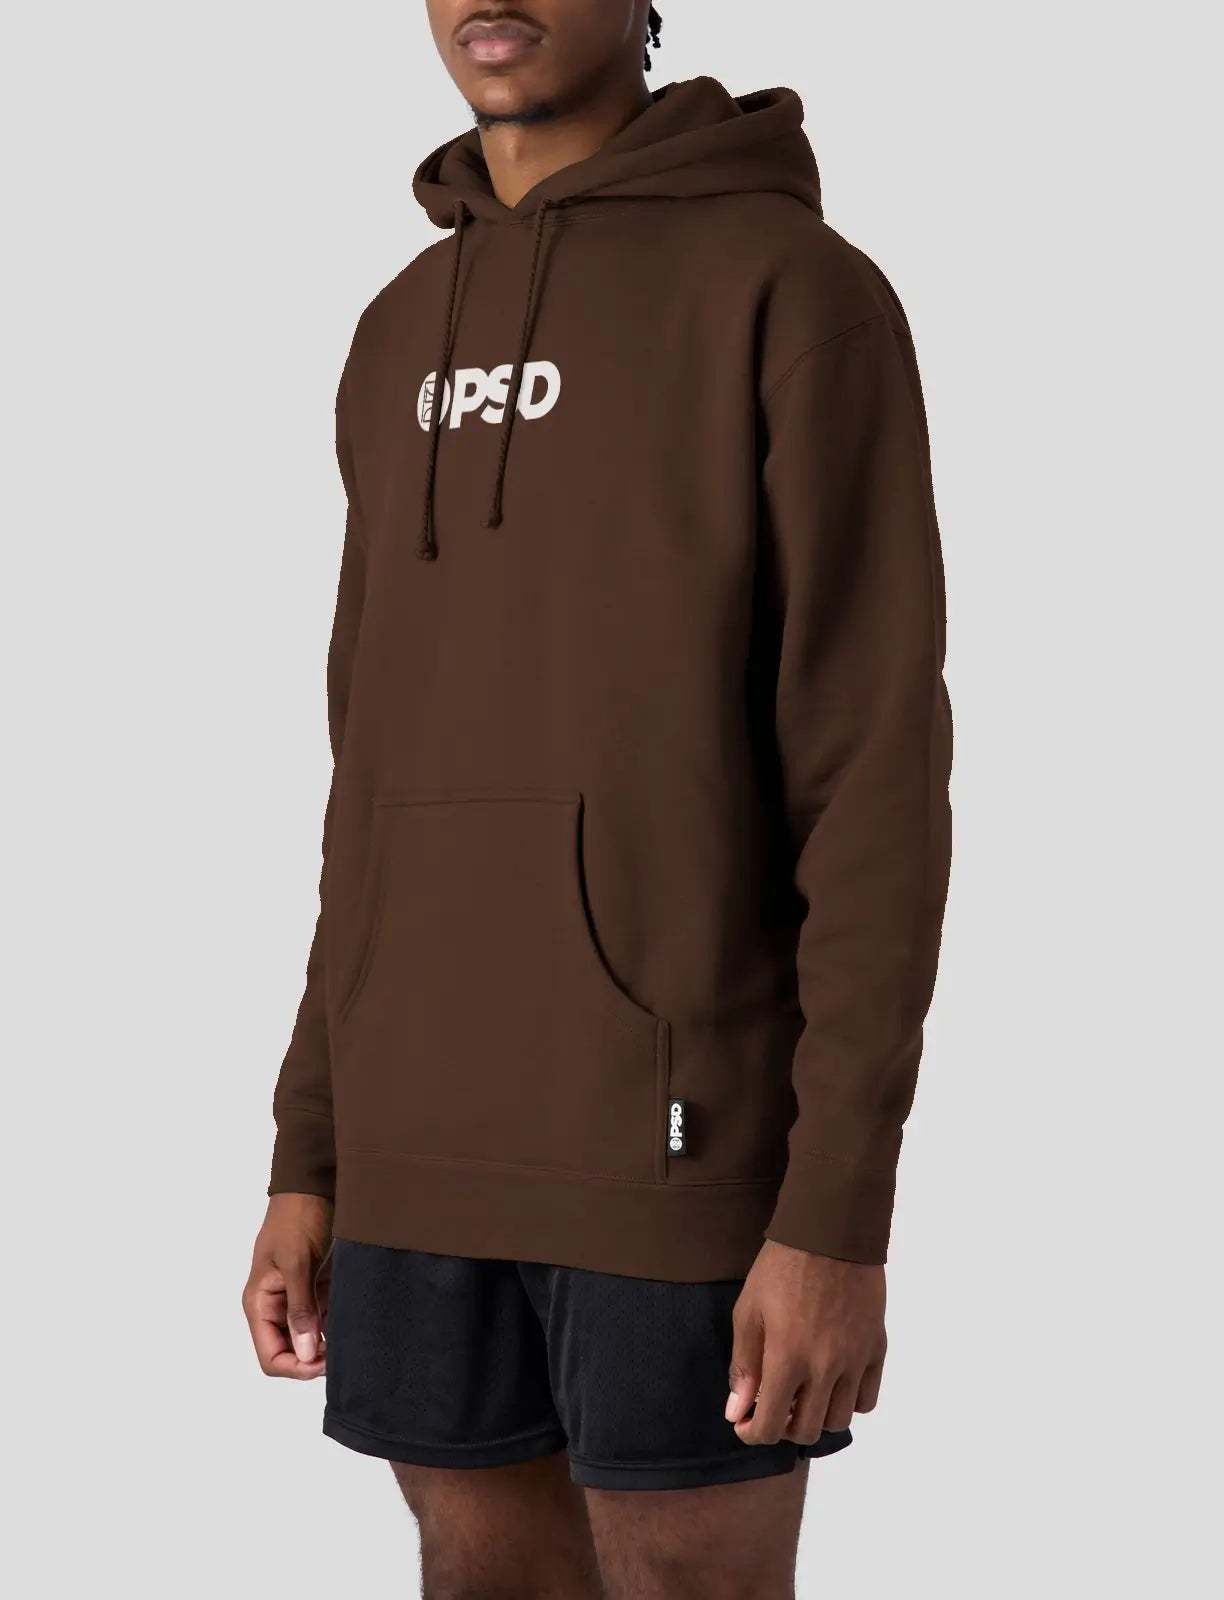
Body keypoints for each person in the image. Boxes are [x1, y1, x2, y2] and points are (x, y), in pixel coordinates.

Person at [242, 3, 951, 1594]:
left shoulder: (791, 291)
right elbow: (371, 775)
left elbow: (873, 775)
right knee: (475, 1575)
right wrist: (313, 1150)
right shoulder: (396, 329)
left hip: (676, 1144)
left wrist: (836, 1210)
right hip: (417, 1139)